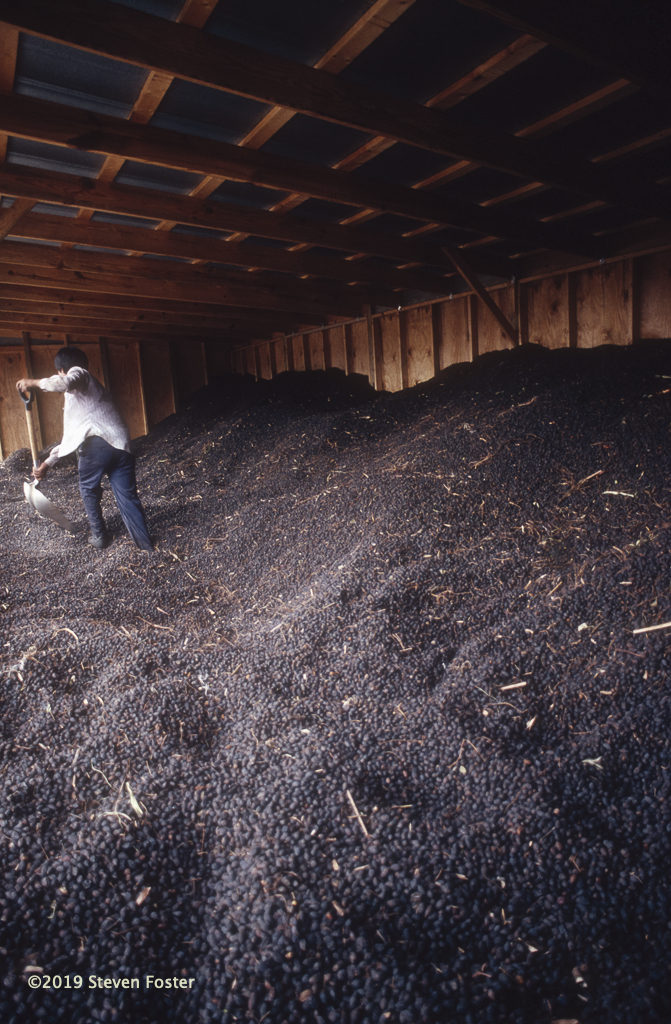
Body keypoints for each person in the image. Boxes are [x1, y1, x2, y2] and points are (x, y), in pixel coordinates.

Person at [16, 346, 153, 552]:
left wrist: (32, 382)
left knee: (88, 488)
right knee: (127, 496)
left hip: (98, 446)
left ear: (61, 370)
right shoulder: (87, 396)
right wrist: (47, 463)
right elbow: (71, 438)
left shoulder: (79, 375)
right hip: (121, 446)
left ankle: (99, 535)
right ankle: (144, 543)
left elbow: (63, 383)